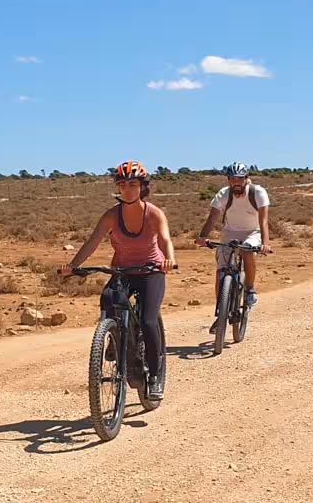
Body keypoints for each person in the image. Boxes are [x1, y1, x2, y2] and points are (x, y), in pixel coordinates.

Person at [60, 161, 177, 401]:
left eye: (133, 184)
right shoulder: (111, 216)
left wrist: (169, 259)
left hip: (151, 271)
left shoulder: (154, 213)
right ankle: (113, 336)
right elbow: (92, 243)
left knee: (147, 320)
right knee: (108, 298)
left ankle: (155, 375)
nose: (128, 189)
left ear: (143, 187)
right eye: (122, 184)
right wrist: (74, 266)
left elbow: (165, 239)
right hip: (123, 271)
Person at [195, 162, 272, 317]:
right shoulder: (224, 194)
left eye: (240, 179)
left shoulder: (258, 192)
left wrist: (265, 243)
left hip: (253, 232)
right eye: (232, 179)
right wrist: (203, 237)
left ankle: (250, 289)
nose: (236, 182)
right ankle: (221, 310)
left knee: (246, 250)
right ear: (228, 180)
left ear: (246, 179)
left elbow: (263, 221)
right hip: (230, 232)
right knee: (221, 270)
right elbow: (212, 218)